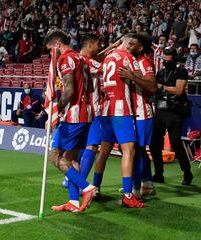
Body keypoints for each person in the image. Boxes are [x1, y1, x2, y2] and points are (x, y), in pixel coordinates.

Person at [44, 29, 96, 212]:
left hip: (74, 115)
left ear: (57, 44)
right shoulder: (81, 58)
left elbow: (69, 90)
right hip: (86, 112)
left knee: (54, 155)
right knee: (71, 157)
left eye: (51, 49)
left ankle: (87, 188)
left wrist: (55, 111)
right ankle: (73, 202)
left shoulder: (65, 59)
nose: (51, 54)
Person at [93, 35, 145, 208]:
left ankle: (96, 188)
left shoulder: (108, 57)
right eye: (131, 44)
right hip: (122, 110)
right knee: (129, 151)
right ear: (128, 43)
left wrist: (112, 45)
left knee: (104, 151)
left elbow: (95, 60)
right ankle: (128, 195)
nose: (132, 47)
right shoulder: (128, 58)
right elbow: (142, 80)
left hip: (106, 108)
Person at [119, 33, 158, 198]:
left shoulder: (145, 62)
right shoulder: (132, 61)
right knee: (138, 150)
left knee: (135, 151)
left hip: (143, 113)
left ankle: (135, 189)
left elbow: (153, 87)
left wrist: (132, 77)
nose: (127, 47)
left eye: (131, 44)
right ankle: (147, 184)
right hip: (133, 112)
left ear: (140, 47)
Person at [150, 47, 194, 185]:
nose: (166, 61)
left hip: (175, 111)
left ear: (174, 59)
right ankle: (158, 173)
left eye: (168, 59)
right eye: (165, 59)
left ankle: (187, 173)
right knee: (155, 143)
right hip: (160, 110)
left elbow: (179, 90)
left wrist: (162, 87)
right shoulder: (161, 71)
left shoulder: (181, 71)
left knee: (175, 142)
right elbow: (153, 87)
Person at [77, 34, 102, 183]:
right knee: (92, 147)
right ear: (90, 45)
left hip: (79, 110)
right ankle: (81, 184)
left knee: (79, 146)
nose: (98, 48)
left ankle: (70, 178)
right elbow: (107, 67)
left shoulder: (76, 60)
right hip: (92, 110)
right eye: (97, 44)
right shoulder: (88, 63)